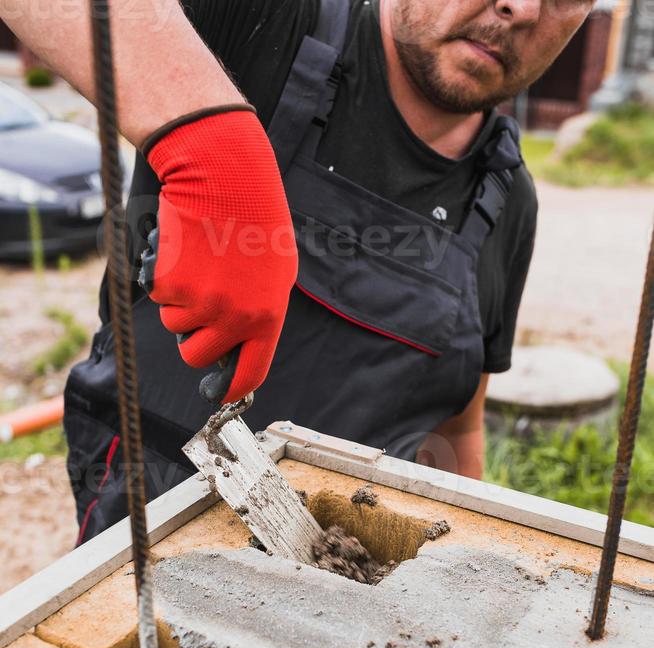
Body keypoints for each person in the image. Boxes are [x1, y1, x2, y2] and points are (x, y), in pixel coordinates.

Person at [2, 0, 594, 542]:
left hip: (348, 582)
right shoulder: (267, 21)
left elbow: (461, 423)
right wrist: (206, 139)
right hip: (152, 537)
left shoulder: (508, 197)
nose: (523, 7)